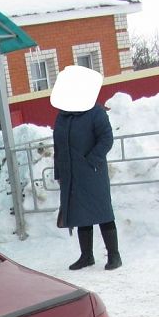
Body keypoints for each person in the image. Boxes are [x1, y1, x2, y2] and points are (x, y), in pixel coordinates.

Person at [50, 65, 121, 270]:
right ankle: (86, 256)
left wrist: (92, 160)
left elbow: (106, 139)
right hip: (71, 174)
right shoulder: (62, 116)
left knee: (103, 212)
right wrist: (59, 172)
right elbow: (58, 146)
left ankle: (114, 256)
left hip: (92, 173)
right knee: (80, 214)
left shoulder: (96, 113)